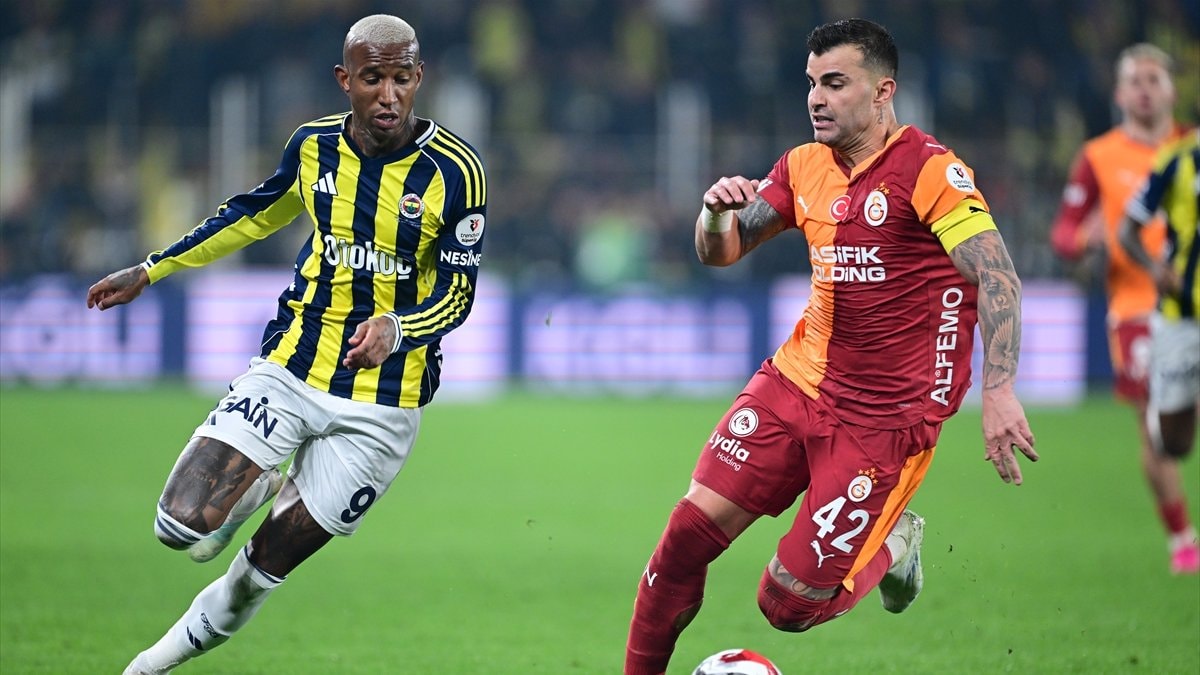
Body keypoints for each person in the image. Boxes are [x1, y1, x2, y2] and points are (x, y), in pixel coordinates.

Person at [624, 18, 1037, 675]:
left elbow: (996, 274)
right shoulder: (802, 165)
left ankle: (895, 543)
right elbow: (721, 252)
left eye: (836, 83)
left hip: (885, 421)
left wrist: (1000, 389)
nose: (817, 98)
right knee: (681, 541)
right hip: (796, 383)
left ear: (883, 91)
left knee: (786, 604)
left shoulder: (931, 170)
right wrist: (714, 212)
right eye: (812, 83)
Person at [87, 15, 488, 673]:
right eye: (372, 78)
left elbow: (458, 294)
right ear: (345, 80)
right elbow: (250, 215)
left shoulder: (456, 170)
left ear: (419, 78)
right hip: (293, 368)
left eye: (401, 78)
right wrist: (154, 268)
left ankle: (145, 667)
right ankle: (260, 481)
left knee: (260, 571)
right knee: (179, 526)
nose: (388, 95)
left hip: (383, 409)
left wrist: (397, 327)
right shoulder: (313, 147)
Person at [1049, 44, 1195, 574]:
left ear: (1172, 90)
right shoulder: (1099, 156)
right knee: (1158, 428)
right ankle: (1183, 539)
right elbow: (1064, 232)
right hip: (1135, 308)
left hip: (1194, 304)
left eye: (1154, 80)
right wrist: (1082, 240)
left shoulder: (1191, 149)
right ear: (1119, 93)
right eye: (1135, 81)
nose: (1145, 90)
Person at [1118, 129, 1200, 574]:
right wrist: (1154, 268)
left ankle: (1184, 545)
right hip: (1180, 318)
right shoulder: (1177, 159)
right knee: (1173, 442)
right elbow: (1127, 228)